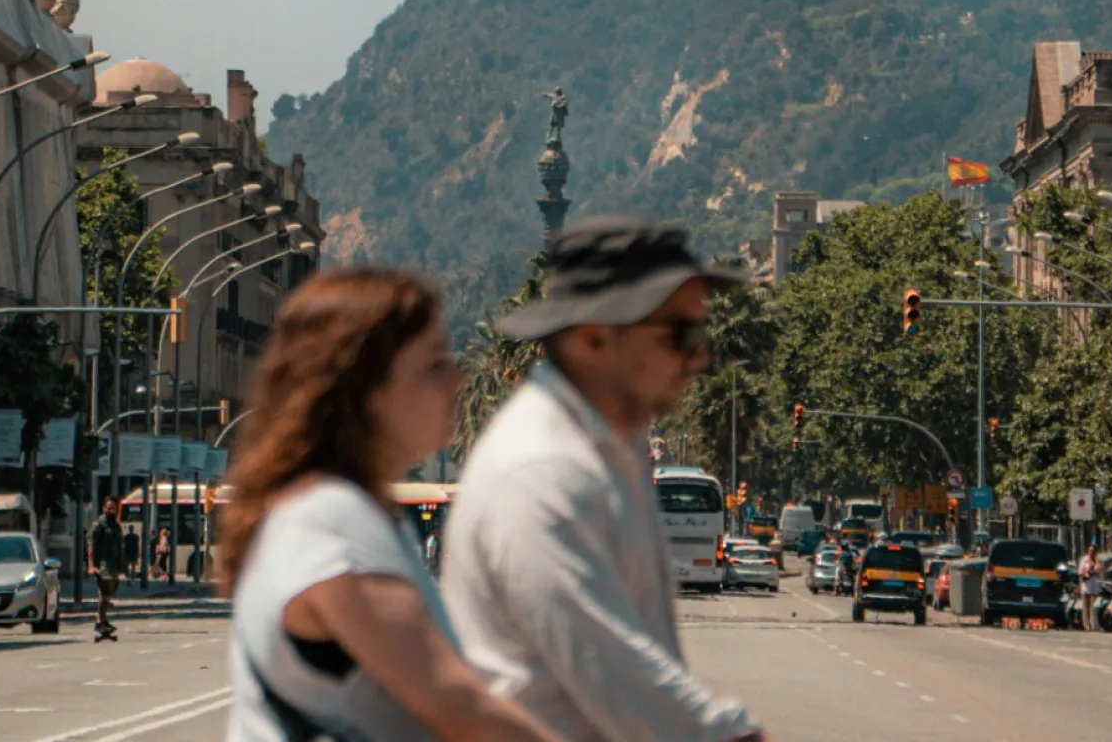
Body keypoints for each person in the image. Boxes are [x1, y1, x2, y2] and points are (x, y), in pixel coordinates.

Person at [444, 218, 765, 742]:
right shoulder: (542, 469)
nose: (700, 356)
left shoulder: (615, 450)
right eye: (680, 334)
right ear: (592, 337)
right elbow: (617, 675)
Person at [219, 267, 560, 742]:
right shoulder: (331, 519)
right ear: (366, 392)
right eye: (434, 365)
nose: (458, 380)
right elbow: (458, 706)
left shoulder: (353, 511)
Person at [86, 498, 124, 642]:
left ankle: (103, 619)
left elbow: (120, 546)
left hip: (114, 565)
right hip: (102, 564)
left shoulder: (116, 526)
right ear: (104, 508)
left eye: (113, 508)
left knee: (110, 592)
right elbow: (90, 546)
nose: (111, 511)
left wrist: (122, 565)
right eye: (109, 508)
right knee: (104, 591)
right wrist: (91, 565)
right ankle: (99, 620)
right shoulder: (98, 525)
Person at [1077, 544, 1103, 631]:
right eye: (1089, 551)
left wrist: (1095, 566)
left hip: (1095, 584)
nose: (1091, 553)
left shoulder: (1098, 561)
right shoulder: (1084, 560)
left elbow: (1100, 570)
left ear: (1096, 552)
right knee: (1087, 606)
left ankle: (1095, 623)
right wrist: (1088, 570)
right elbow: (1080, 573)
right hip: (1087, 584)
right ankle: (1087, 624)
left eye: (1092, 551)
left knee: (1095, 605)